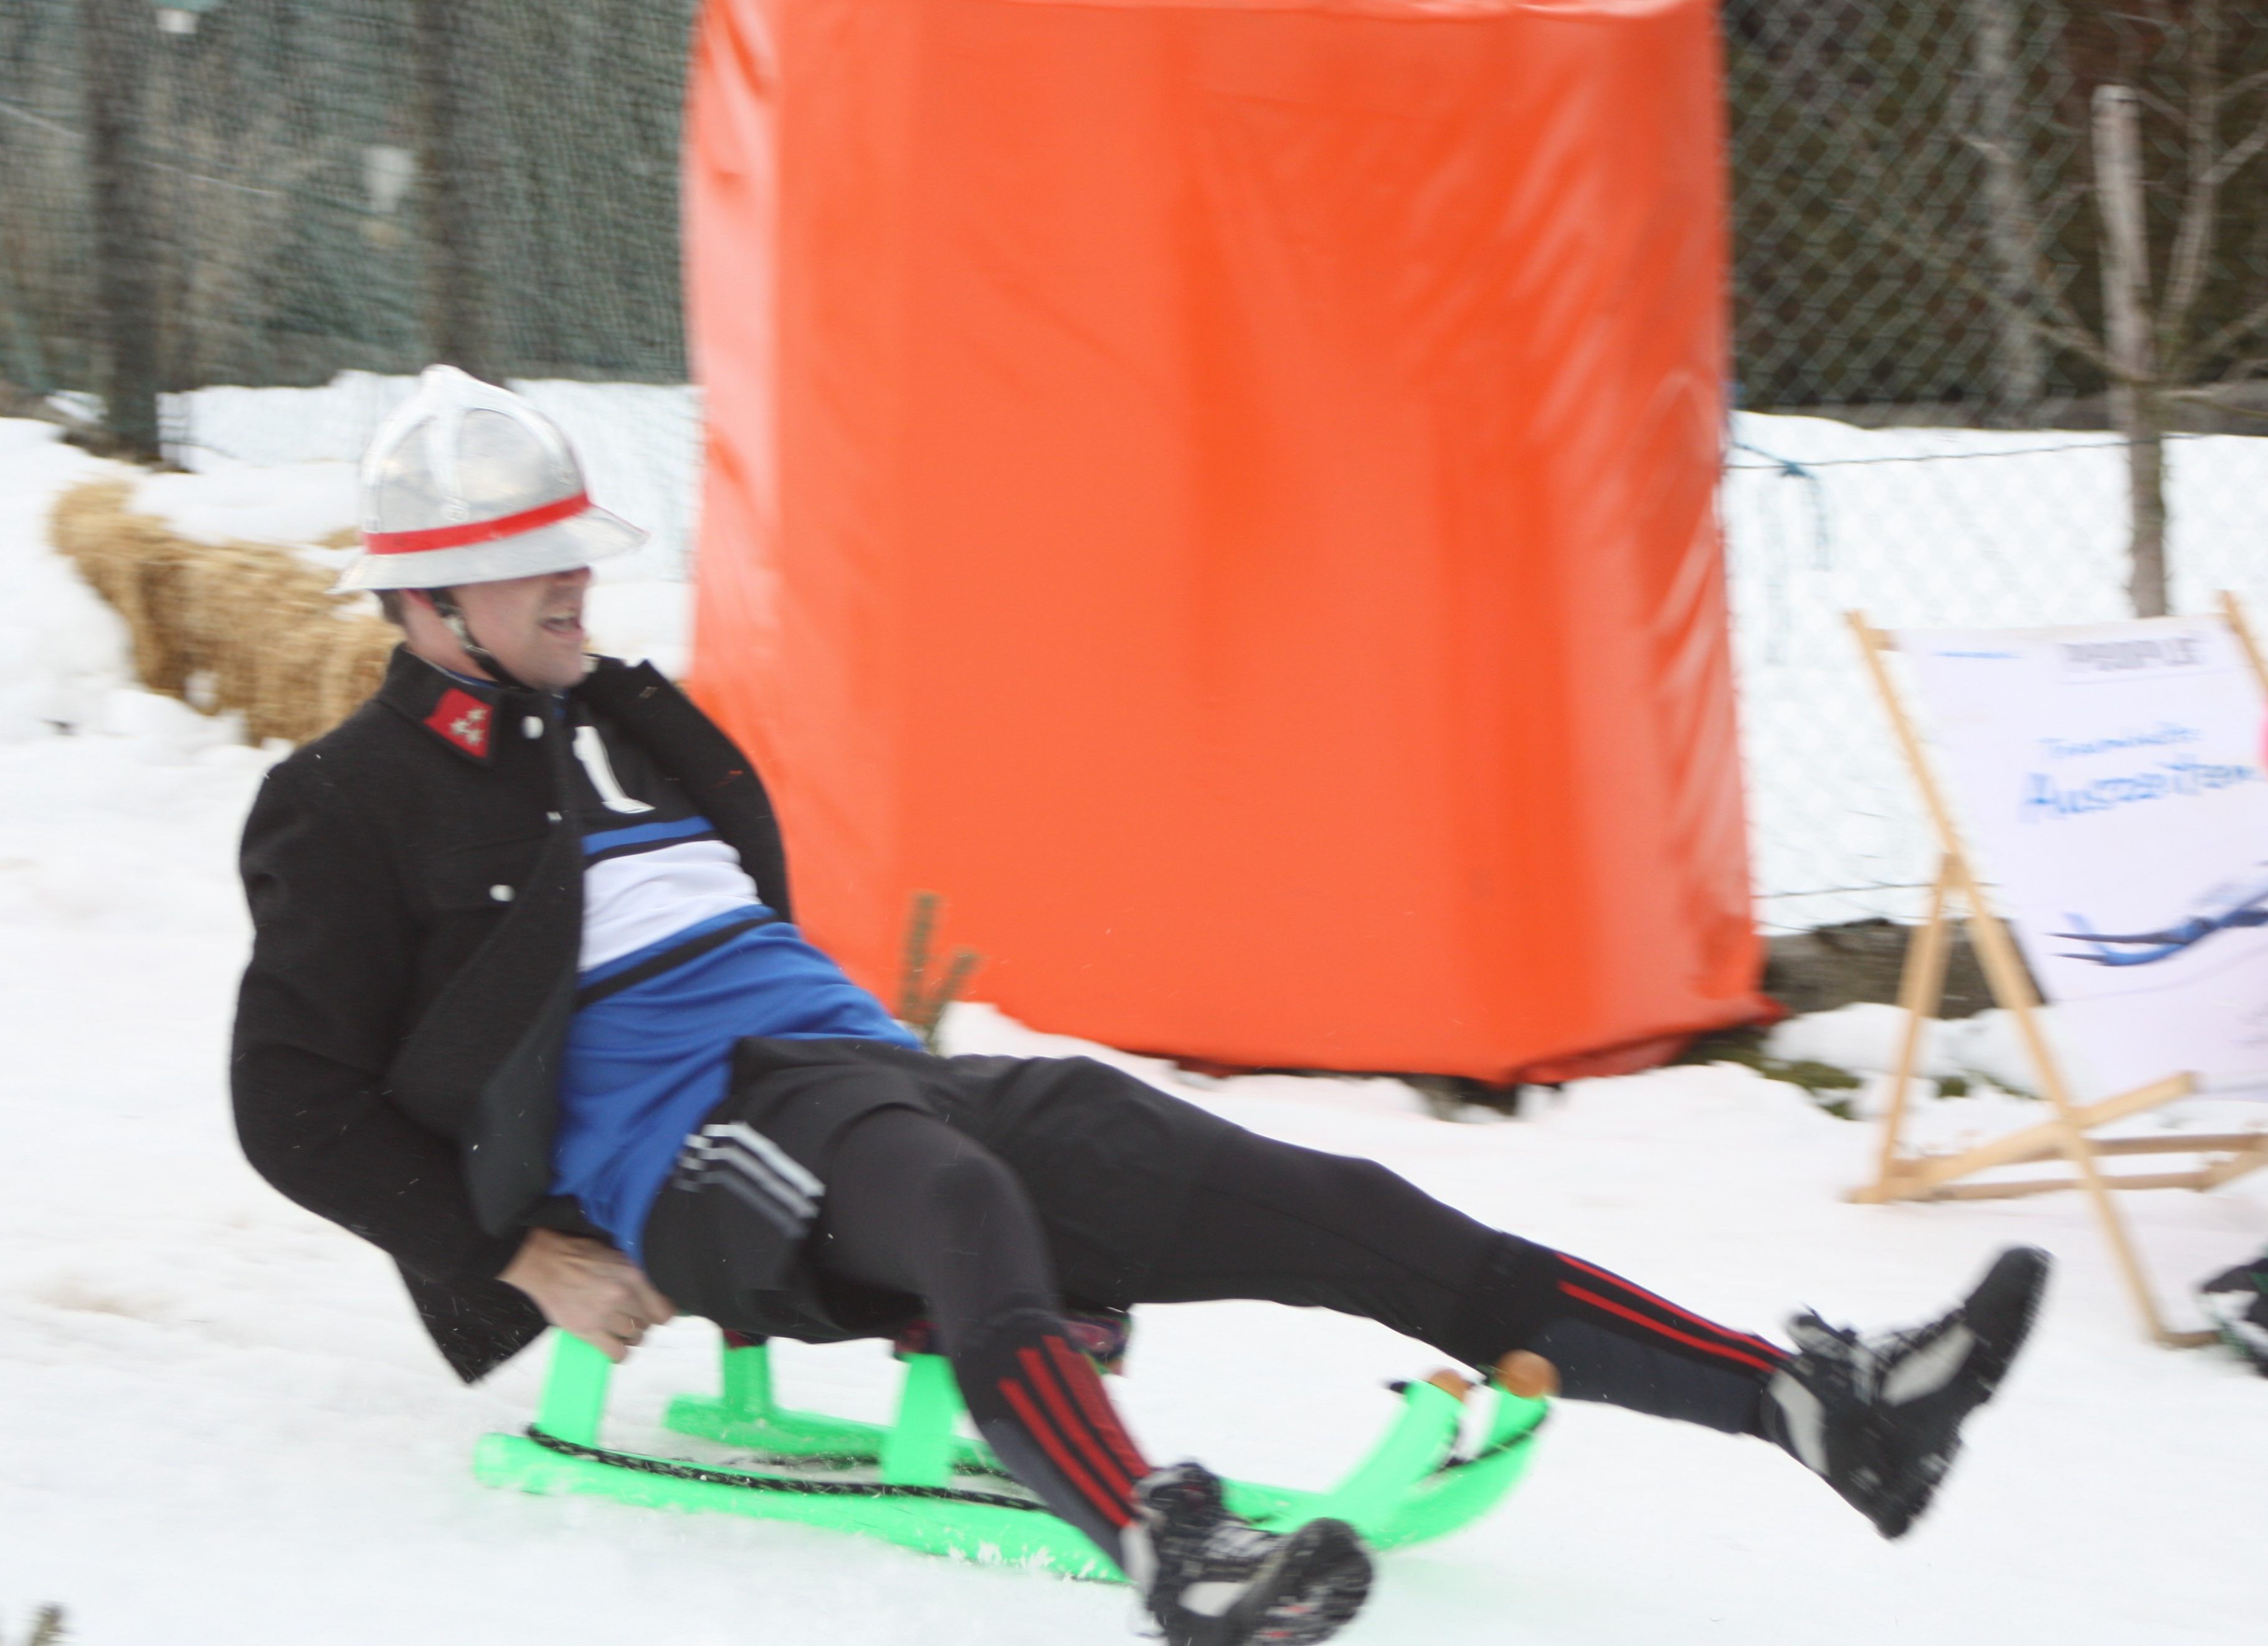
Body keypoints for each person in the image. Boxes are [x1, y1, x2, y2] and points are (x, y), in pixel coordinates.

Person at [233, 367, 2051, 1646]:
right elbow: (289, 1098)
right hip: (700, 1159)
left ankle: (1812, 1405)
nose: (581, 574)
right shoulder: (345, 799)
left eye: (577, 542)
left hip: (851, 1079)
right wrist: (524, 1260)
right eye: (538, 553)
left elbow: (770, 949)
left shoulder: (639, 720)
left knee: (1322, 1201)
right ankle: (1163, 1549)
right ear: (431, 598)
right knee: (953, 1201)